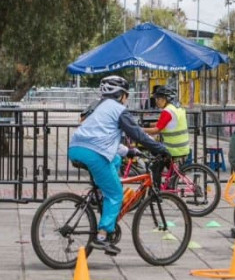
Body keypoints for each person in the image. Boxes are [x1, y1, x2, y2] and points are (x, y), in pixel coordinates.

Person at [68, 75, 169, 255]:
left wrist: (129, 151)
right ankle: (102, 236)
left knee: (114, 160)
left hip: (76, 149)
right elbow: (138, 134)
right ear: (121, 95)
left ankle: (99, 194)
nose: (127, 99)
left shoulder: (98, 107)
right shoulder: (119, 110)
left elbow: (105, 138)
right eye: (126, 95)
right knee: (115, 193)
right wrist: (160, 148)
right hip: (94, 154)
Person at [143, 86, 191, 161]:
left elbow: (156, 130)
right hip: (183, 147)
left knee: (152, 149)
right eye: (156, 98)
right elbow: (164, 123)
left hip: (173, 148)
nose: (156, 101)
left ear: (166, 99)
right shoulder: (177, 108)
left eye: (159, 98)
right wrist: (148, 125)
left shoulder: (167, 111)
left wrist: (140, 129)